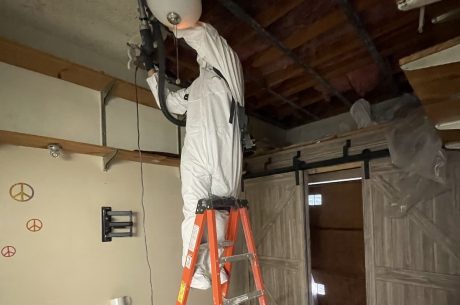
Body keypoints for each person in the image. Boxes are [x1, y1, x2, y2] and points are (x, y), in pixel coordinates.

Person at [145, 22, 244, 289]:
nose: (201, 56)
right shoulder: (195, 88)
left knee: (219, 211)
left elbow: (206, 36)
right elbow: (169, 104)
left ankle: (215, 266)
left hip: (222, 150)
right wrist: (152, 72)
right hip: (195, 153)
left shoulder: (228, 72)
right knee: (194, 212)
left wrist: (174, 23)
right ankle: (199, 270)